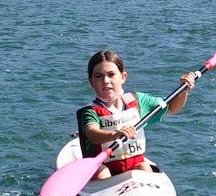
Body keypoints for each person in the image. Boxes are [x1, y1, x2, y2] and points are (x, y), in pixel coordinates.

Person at [78, 51, 200, 179]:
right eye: (98, 76)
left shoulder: (137, 101)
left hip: (134, 166)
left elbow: (172, 107)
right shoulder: (90, 111)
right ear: (91, 82)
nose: (105, 81)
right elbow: (92, 134)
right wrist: (116, 134)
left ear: (123, 77)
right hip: (102, 168)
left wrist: (184, 91)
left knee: (144, 167)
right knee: (101, 172)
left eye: (111, 75)